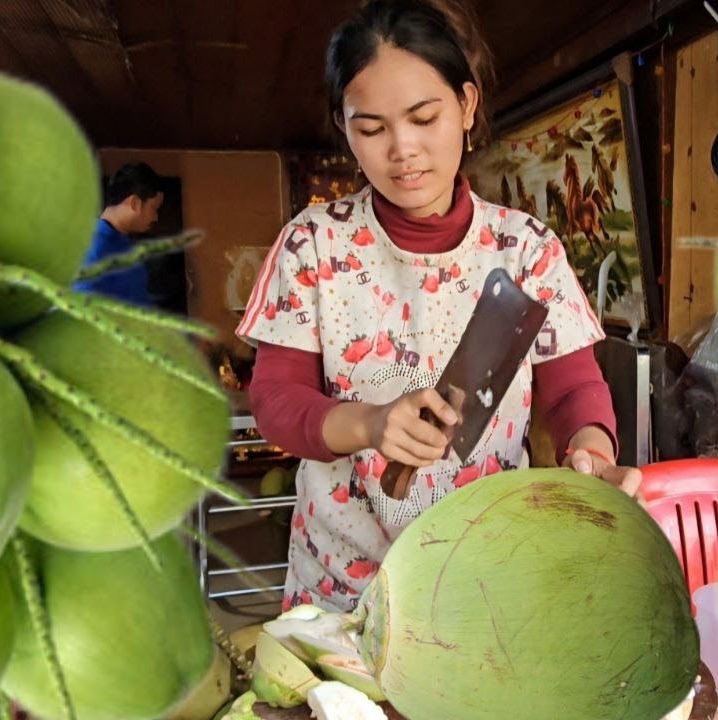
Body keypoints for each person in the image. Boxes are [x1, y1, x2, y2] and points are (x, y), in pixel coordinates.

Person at [237, 0, 640, 612]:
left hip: (484, 580)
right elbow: (275, 400)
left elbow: (570, 390)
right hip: (343, 588)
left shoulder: (526, 250)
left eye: (424, 117)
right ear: (344, 127)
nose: (402, 149)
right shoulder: (313, 243)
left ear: (467, 106)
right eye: (370, 128)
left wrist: (593, 452)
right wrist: (370, 424)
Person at [73, 161, 164, 305]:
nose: (156, 217)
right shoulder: (93, 248)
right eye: (154, 208)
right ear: (135, 203)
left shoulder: (123, 244)